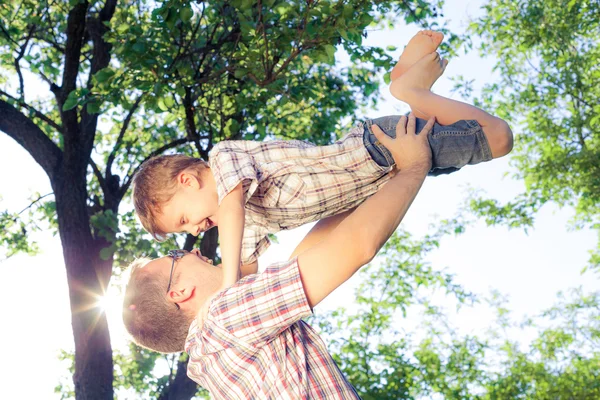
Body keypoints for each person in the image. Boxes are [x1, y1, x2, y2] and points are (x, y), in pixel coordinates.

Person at [131, 31, 513, 297]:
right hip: (385, 172)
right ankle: (410, 87)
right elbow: (252, 280)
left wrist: (227, 279)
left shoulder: (225, 162)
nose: (196, 231)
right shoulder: (251, 222)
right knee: (464, 136)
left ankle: (408, 90)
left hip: (378, 147)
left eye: (184, 220)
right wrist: (225, 301)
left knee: (498, 137)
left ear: (188, 181)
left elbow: (231, 212)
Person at [123, 113, 433, 398]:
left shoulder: (212, 359)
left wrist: (377, 181)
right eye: (177, 254)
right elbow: (358, 245)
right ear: (179, 292)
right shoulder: (224, 316)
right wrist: (415, 166)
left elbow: (310, 257)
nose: (194, 249)